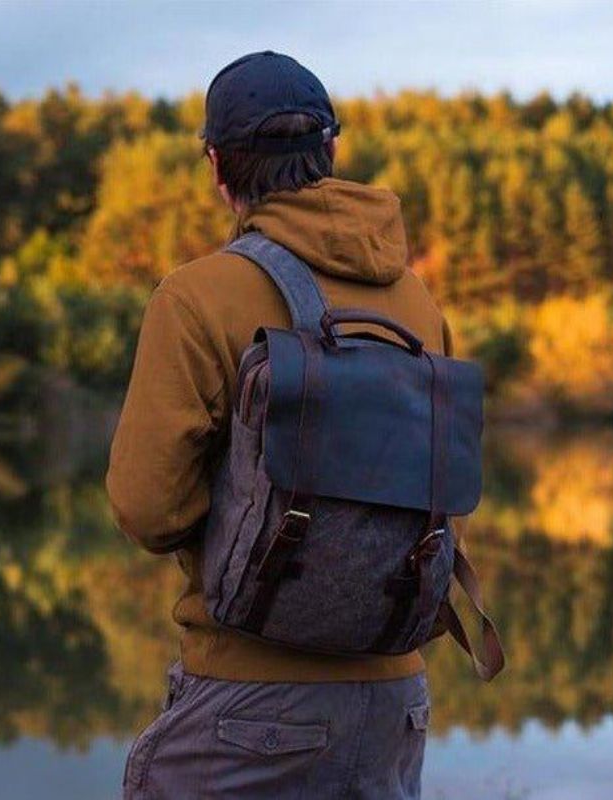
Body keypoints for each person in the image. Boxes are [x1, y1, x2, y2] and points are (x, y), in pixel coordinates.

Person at [106, 50, 464, 800]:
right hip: (396, 707)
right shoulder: (419, 303)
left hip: (248, 703)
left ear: (217, 167)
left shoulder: (197, 296)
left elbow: (147, 507)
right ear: (330, 151)